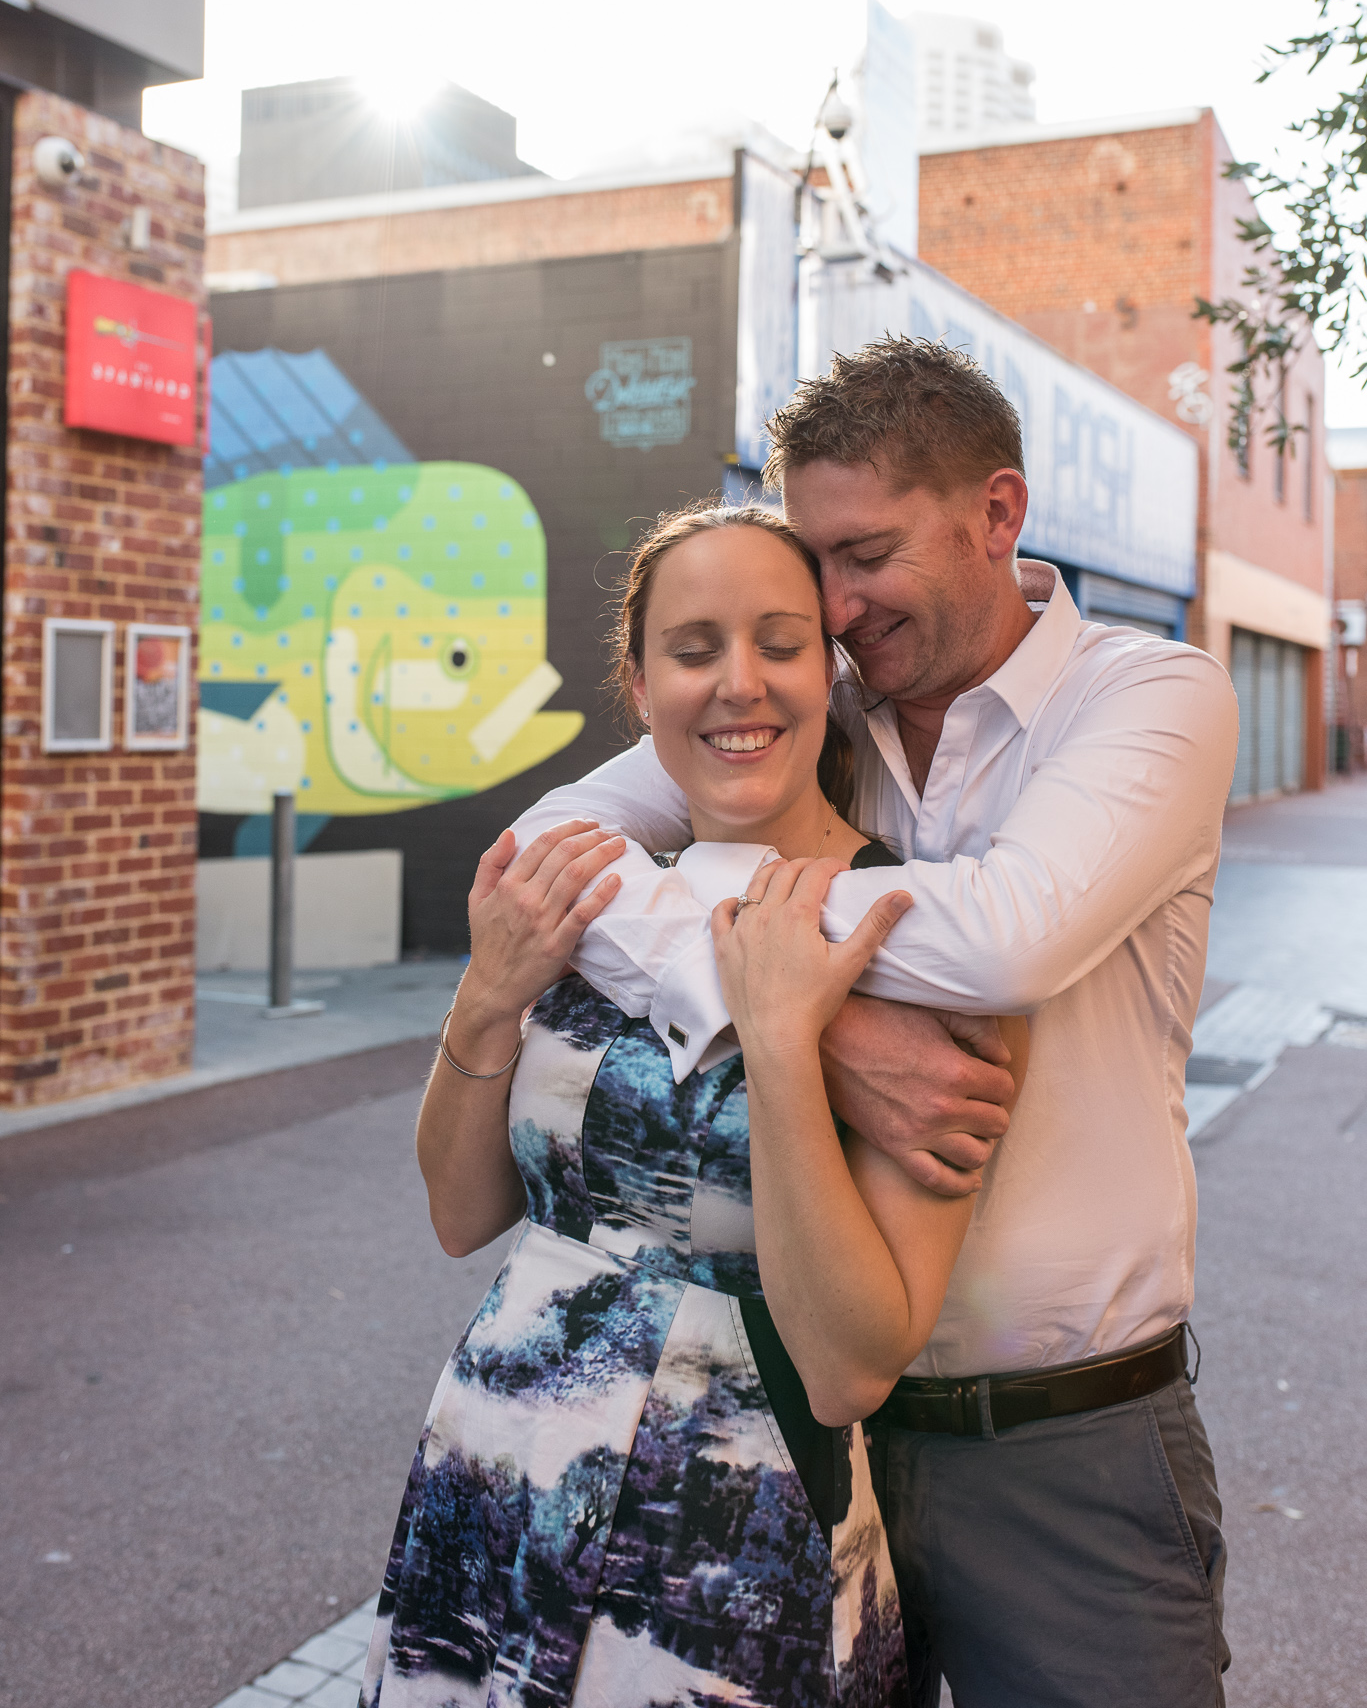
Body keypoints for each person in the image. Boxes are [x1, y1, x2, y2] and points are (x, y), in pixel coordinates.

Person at [508, 337, 1241, 1708]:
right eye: (814, 560)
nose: (832, 606)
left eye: (865, 554)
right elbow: (550, 848)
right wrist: (808, 1023)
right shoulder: (809, 699)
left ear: (997, 515)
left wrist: (774, 979)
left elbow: (1008, 936)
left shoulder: (1148, 696)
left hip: (1062, 1451)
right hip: (817, 1445)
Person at [360, 503, 1029, 1708]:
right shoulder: (597, 891)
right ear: (638, 681)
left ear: (828, 668)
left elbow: (847, 1368)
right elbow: (465, 1216)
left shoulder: (920, 937)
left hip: (729, 1552)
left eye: (778, 641)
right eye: (693, 647)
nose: (738, 685)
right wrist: (487, 992)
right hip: (496, 1480)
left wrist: (780, 1043)